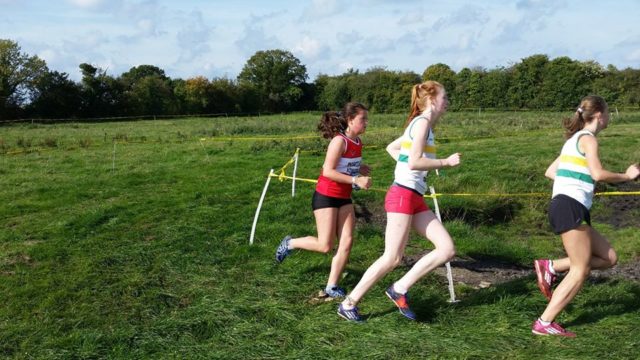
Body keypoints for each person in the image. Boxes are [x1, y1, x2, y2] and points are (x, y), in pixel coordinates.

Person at [337, 81, 461, 322]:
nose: (447, 102)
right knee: (392, 257)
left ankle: (399, 289)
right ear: (433, 100)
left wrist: (411, 166)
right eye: (444, 97)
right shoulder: (422, 122)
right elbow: (414, 161)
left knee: (447, 249)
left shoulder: (422, 125)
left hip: (414, 196)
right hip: (403, 194)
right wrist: (444, 162)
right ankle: (348, 303)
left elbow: (392, 148)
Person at [532, 95, 640, 337]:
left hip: (568, 205)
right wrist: (626, 176)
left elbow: (552, 172)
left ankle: (551, 266)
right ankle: (544, 322)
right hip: (569, 206)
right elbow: (599, 173)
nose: (609, 117)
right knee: (580, 270)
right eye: (609, 113)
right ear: (600, 115)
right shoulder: (589, 139)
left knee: (609, 257)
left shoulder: (573, 141)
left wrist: (581, 180)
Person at [275, 102, 372, 298]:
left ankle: (331, 286)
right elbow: (328, 171)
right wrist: (355, 179)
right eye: (363, 119)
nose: (366, 123)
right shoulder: (339, 141)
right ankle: (291, 243)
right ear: (350, 120)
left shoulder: (358, 141)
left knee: (347, 241)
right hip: (326, 196)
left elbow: (344, 164)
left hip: (344, 197)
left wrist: (358, 169)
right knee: (325, 246)